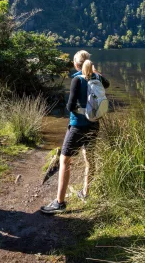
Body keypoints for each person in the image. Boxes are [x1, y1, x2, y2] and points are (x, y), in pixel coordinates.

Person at [40, 50, 110, 214]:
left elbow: (70, 106)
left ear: (75, 64)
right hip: (94, 124)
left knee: (65, 160)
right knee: (90, 159)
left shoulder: (77, 80)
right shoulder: (97, 78)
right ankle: (86, 192)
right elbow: (107, 84)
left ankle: (60, 202)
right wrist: (94, 71)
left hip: (78, 125)